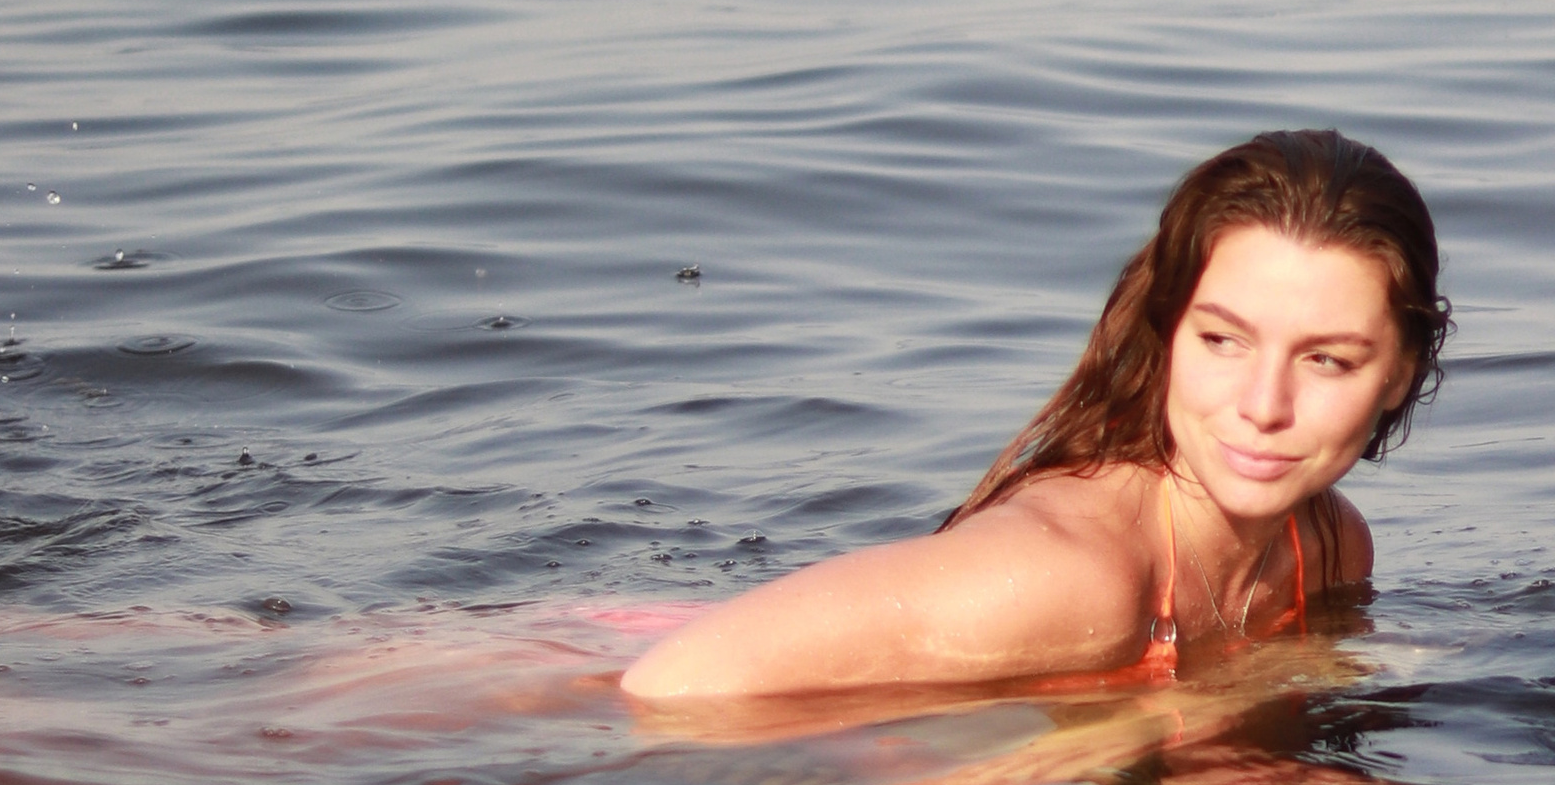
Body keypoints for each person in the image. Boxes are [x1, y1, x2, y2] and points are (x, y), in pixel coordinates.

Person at [621, 129, 1450, 705]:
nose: (1264, 406)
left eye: (1327, 360)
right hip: (560, 679)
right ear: (1168, 330)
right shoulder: (1070, 578)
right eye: (1223, 340)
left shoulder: (1331, 546)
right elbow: (671, 683)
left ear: (1398, 374)